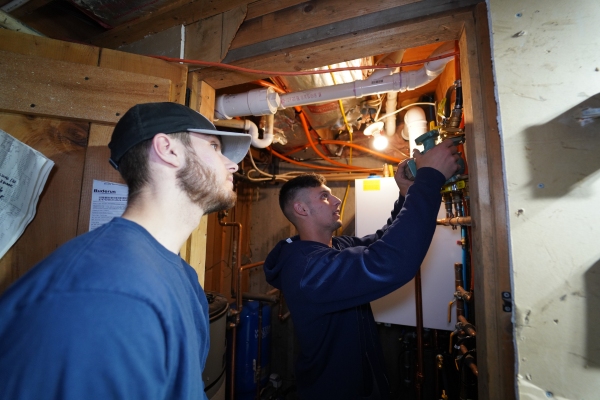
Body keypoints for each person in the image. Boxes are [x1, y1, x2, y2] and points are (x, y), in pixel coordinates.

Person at [0, 102, 251, 400]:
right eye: (213, 146)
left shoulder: (181, 274)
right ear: (168, 150)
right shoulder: (103, 294)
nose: (233, 164)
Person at [263, 140, 460, 399]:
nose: (335, 201)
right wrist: (430, 178)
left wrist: (406, 193)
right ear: (301, 209)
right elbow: (389, 262)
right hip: (335, 391)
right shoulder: (307, 271)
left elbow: (382, 241)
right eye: (324, 196)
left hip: (363, 383)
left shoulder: (333, 248)